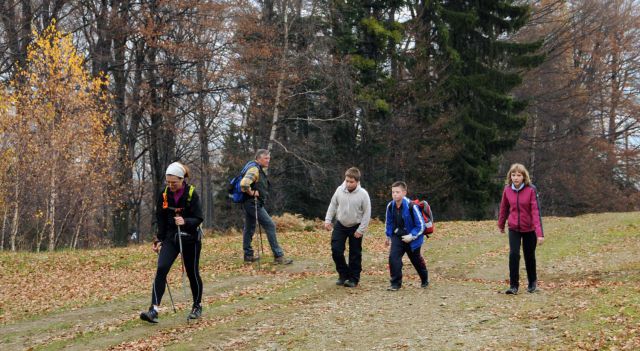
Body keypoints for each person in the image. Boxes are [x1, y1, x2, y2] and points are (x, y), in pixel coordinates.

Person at [140, 162, 204, 323]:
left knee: (192, 273)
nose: (170, 185)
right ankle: (153, 310)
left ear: (182, 179)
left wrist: (185, 221)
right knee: (161, 269)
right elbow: (160, 218)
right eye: (168, 182)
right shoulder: (164, 194)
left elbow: (199, 218)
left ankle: (197, 306)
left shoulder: (191, 193)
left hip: (190, 238)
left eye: (174, 182)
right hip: (171, 238)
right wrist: (158, 239)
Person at [498, 163, 544, 295]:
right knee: (514, 254)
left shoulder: (531, 190)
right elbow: (504, 208)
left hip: (529, 229)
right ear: (510, 176)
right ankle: (513, 286)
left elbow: (536, 212)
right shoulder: (507, 190)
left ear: (524, 177)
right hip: (514, 228)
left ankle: (532, 283)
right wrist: (501, 225)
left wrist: (539, 234)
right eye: (513, 175)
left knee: (529, 255)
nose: (516, 178)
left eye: (519, 175)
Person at [240, 149, 293, 265]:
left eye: (269, 158)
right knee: (270, 225)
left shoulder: (257, 168)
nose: (268, 161)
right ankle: (278, 256)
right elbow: (244, 184)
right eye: (266, 158)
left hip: (250, 203)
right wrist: (252, 193)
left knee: (249, 228)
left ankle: (248, 256)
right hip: (252, 203)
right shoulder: (254, 169)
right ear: (258, 158)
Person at [324, 167, 372, 288]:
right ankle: (343, 274)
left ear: (357, 181)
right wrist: (328, 220)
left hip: (356, 226)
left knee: (355, 254)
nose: (349, 184)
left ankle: (354, 278)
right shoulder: (339, 190)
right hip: (340, 224)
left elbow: (367, 213)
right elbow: (333, 205)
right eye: (347, 181)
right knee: (336, 250)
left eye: (351, 182)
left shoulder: (363, 194)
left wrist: (361, 230)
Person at [384, 181, 429, 291]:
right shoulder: (390, 206)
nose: (395, 194)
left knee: (416, 260)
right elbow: (388, 222)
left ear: (404, 192)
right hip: (398, 237)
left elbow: (421, 226)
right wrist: (388, 236)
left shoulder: (411, 206)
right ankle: (395, 284)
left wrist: (412, 236)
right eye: (393, 192)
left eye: (397, 192)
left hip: (413, 239)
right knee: (393, 258)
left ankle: (424, 279)